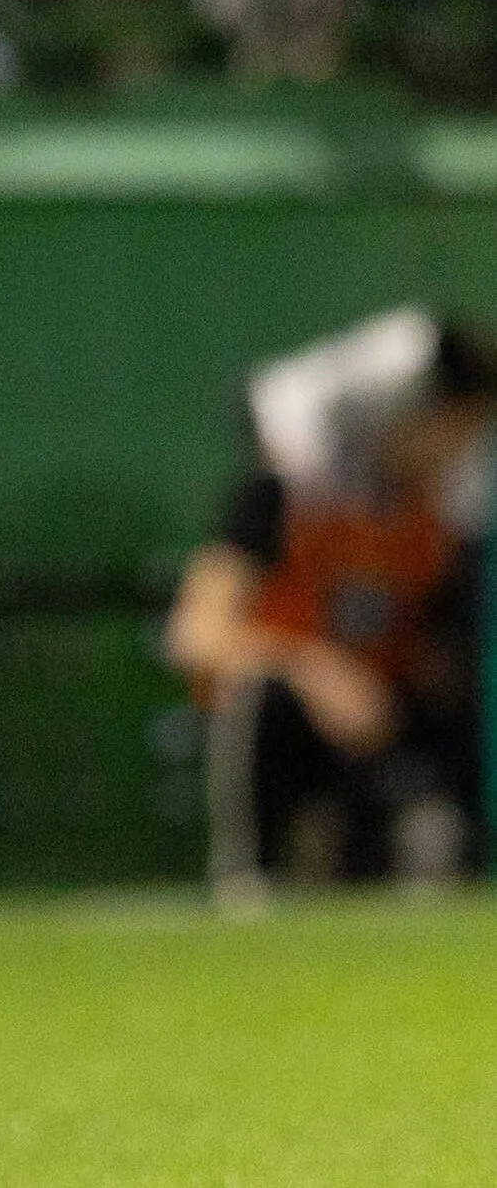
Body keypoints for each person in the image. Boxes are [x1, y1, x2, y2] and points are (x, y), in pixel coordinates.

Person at [166, 307, 493, 900]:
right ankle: (249, 884)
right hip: (291, 729)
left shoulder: (433, 526)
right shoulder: (278, 500)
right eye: (457, 431)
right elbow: (195, 634)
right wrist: (315, 671)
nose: (462, 453)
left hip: (373, 746)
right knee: (264, 699)